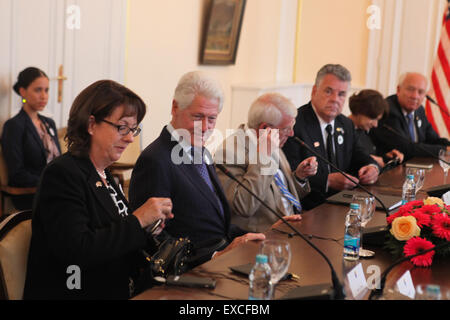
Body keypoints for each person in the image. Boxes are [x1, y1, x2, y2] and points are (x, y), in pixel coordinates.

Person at [23, 80, 174, 300]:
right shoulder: (62, 174)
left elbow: (115, 235)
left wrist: (149, 229)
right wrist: (138, 219)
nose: (131, 138)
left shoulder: (104, 174)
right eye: (122, 127)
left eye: (133, 129)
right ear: (91, 124)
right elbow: (77, 250)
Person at [129, 71, 265, 262]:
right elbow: (153, 238)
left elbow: (215, 223)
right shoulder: (155, 160)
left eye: (212, 118)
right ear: (175, 107)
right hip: (189, 277)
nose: (205, 127)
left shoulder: (202, 152)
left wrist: (258, 236)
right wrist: (215, 256)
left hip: (221, 264)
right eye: (198, 116)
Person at [215, 92, 317, 232]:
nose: (292, 133)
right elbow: (244, 206)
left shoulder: (273, 142)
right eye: (286, 128)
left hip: (294, 226)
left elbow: (281, 195)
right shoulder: (229, 153)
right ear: (264, 128)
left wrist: (299, 177)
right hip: (263, 239)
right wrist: (262, 156)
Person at [282, 64, 379, 210]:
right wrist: (326, 181)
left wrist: (372, 168)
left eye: (341, 94)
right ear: (314, 91)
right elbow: (289, 174)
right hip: (309, 208)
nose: (335, 99)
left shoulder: (345, 124)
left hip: (343, 205)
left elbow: (360, 156)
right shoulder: (295, 125)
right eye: (328, 91)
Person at [1, 67, 61, 210]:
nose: (44, 96)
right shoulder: (14, 126)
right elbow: (17, 173)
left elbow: (60, 160)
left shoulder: (49, 123)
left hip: (57, 189)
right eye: (38, 90)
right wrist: (51, 181)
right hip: (31, 193)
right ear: (22, 91)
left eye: (46, 90)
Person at [370, 72, 450, 160]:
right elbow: (406, 148)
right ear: (398, 90)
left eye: (421, 92)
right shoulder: (388, 110)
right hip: (391, 168)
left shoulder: (419, 110)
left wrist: (447, 146)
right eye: (410, 89)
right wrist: (445, 150)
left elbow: (433, 139)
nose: (415, 96)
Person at [348, 89, 404, 168]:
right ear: (359, 110)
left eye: (377, 120)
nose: (375, 125)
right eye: (373, 118)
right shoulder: (343, 131)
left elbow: (371, 154)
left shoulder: (364, 131)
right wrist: (370, 159)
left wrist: (386, 157)